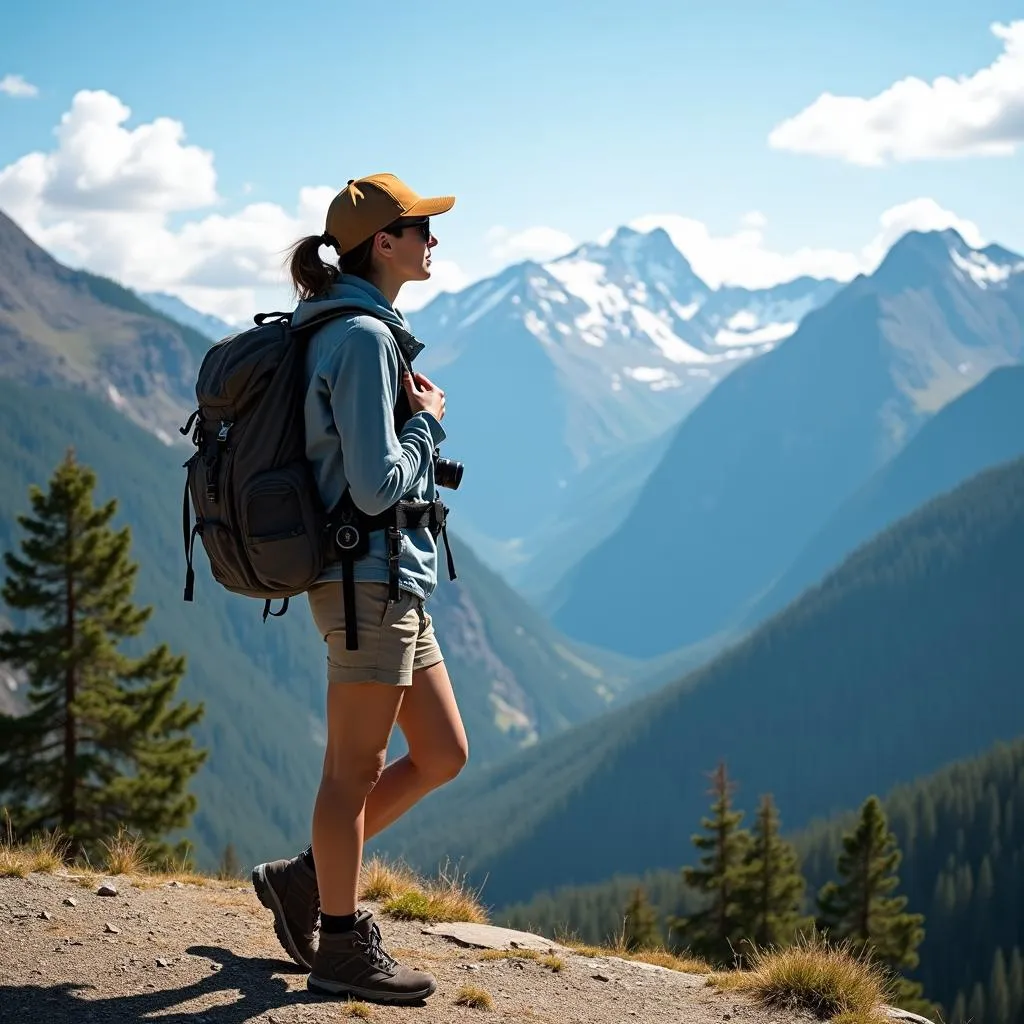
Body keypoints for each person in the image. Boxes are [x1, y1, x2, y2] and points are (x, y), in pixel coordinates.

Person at [250, 173, 469, 1004]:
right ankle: (341, 944)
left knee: (444, 752)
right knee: (352, 772)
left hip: (390, 578)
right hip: (364, 579)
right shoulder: (363, 340)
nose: (431, 243)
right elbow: (377, 485)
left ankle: (306, 879)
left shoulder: (352, 329)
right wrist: (427, 421)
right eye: (420, 229)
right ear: (383, 242)